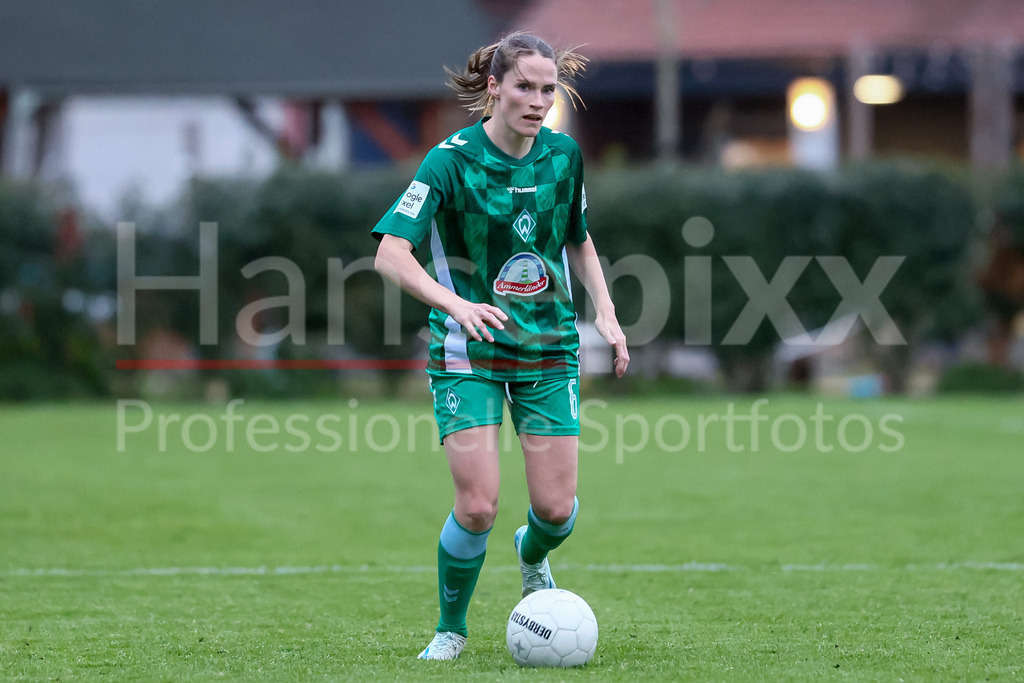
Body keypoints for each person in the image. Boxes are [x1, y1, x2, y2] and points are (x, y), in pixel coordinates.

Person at [372, 31, 629, 661]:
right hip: (469, 353)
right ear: (494, 87)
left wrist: (609, 315)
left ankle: (532, 553)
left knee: (557, 510)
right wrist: (456, 304)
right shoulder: (448, 161)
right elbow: (390, 253)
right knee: (479, 504)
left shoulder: (564, 156)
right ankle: (451, 629)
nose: (538, 101)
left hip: (547, 349)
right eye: (524, 87)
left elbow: (579, 240)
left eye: (548, 89)